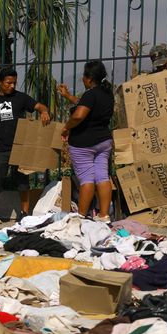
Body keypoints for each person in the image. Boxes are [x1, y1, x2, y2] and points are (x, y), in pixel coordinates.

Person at [0, 67, 51, 223]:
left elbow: (39, 106)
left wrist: (44, 111)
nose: (12, 86)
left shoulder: (20, 98)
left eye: (14, 83)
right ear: (0, 82)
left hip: (19, 149)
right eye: (8, 83)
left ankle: (24, 213)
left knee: (22, 181)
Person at [58, 60, 115, 223]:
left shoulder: (90, 94)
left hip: (84, 144)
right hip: (103, 142)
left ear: (89, 78)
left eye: (84, 76)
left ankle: (81, 217)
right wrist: (68, 96)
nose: (82, 79)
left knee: (87, 179)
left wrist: (66, 127)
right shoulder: (107, 93)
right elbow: (84, 105)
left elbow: (78, 115)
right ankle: (104, 215)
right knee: (102, 177)